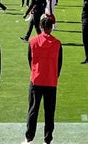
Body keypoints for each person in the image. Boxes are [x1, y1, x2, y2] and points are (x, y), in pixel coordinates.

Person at [23, 16, 63, 144]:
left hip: (36, 79)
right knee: (49, 111)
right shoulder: (57, 43)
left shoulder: (33, 41)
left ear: (41, 27)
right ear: (51, 28)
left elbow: (30, 59)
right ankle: (48, 138)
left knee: (33, 109)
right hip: (51, 80)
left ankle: (29, 137)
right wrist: (54, 75)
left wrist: (35, 70)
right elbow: (60, 63)